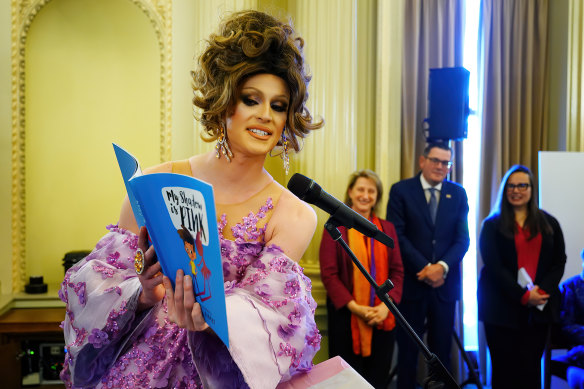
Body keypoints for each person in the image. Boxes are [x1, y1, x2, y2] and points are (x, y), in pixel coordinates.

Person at [59, 10, 324, 388]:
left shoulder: (294, 214)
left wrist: (212, 320)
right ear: (225, 101)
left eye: (278, 105)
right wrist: (143, 293)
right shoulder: (153, 181)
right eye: (252, 99)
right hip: (140, 366)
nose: (265, 115)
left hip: (221, 375)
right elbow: (96, 286)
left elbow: (271, 317)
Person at [386, 142, 469, 389]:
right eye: (436, 160)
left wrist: (441, 267)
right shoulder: (401, 191)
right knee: (408, 353)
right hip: (412, 285)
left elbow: (462, 240)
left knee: (441, 353)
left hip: (444, 288)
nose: (440, 167)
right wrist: (425, 268)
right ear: (422, 161)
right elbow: (397, 236)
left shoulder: (458, 193)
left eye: (446, 163)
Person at [478, 164, 566, 389]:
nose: (516, 190)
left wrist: (541, 293)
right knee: (504, 371)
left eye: (522, 185)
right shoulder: (491, 225)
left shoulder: (549, 223)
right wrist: (523, 296)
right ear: (504, 189)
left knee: (530, 370)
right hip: (500, 309)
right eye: (511, 185)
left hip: (537, 311)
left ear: (531, 189)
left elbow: (559, 261)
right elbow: (495, 267)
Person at [319, 169, 404, 388]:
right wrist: (357, 308)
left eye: (371, 191)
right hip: (347, 318)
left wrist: (386, 308)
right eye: (360, 189)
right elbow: (329, 274)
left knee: (378, 380)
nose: (365, 195)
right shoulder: (334, 227)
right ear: (350, 192)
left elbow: (397, 271)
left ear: (377, 196)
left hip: (382, 318)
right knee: (348, 382)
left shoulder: (388, 229)